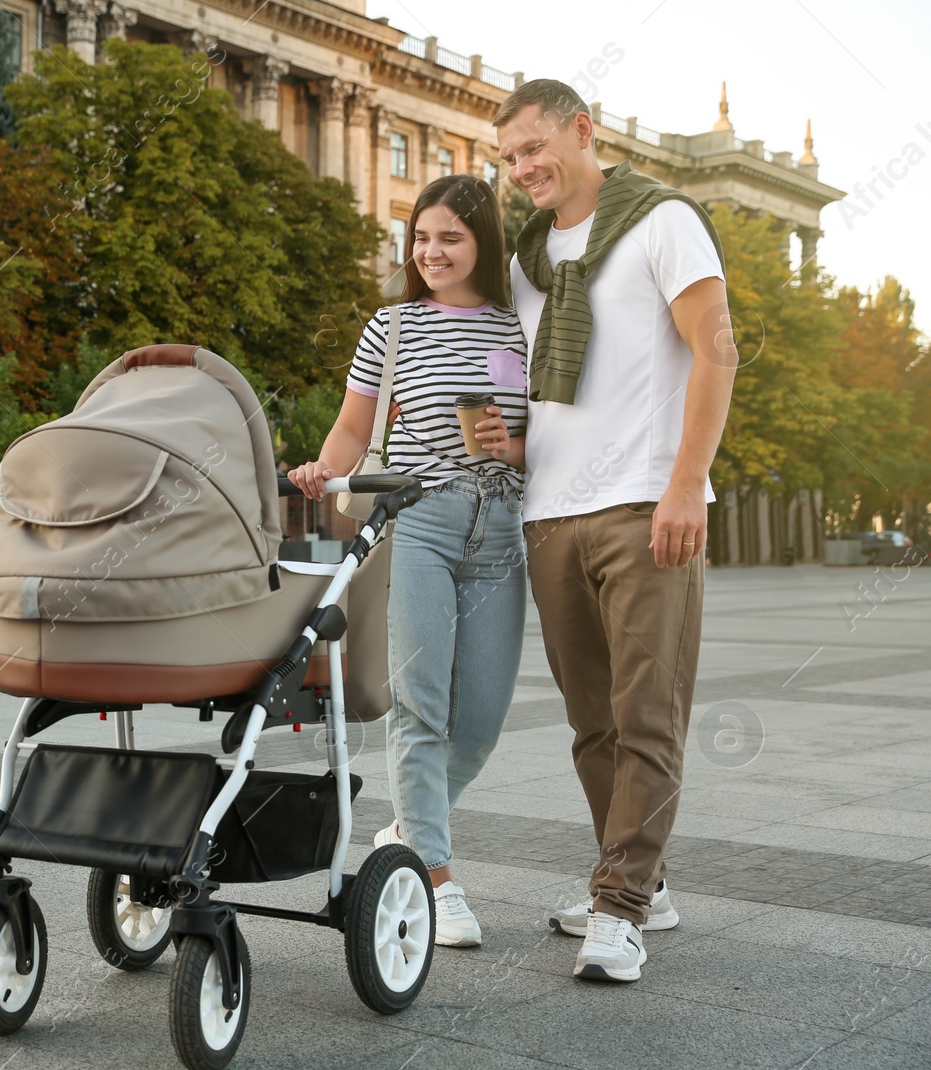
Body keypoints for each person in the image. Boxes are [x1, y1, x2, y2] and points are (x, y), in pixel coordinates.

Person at [488, 79, 738, 982]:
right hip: (550, 511)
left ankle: (620, 906)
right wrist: (508, 442)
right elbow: (541, 389)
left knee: (647, 716)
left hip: (645, 504)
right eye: (509, 158)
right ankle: (647, 885)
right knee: (593, 724)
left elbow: (716, 348)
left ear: (581, 131)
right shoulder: (527, 258)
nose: (522, 170)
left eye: (532, 148)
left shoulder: (661, 221)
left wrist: (685, 483)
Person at [287, 174, 528, 948]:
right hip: (419, 523)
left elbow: (550, 430)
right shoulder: (390, 327)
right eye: (421, 237)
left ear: (484, 243)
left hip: (501, 532)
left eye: (450, 237)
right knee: (421, 704)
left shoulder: (522, 324)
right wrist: (326, 472)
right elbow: (352, 427)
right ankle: (433, 873)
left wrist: (511, 446)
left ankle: (406, 829)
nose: (431, 251)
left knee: (482, 720)